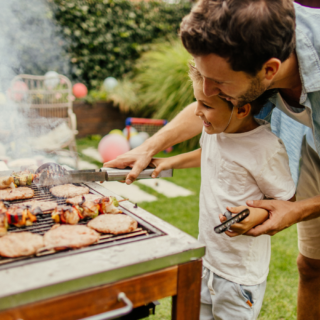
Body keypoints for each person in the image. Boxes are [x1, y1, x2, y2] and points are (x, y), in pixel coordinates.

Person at [104, 1, 320, 318]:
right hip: (307, 142)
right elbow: (215, 107)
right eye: (204, 77)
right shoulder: (256, 37)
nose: (207, 91)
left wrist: (298, 208)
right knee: (312, 267)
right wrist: (150, 146)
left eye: (219, 83)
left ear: (269, 70)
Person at [149, 65, 295, 320]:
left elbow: (285, 200)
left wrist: (257, 214)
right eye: (197, 101)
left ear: (241, 109)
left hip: (239, 274)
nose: (197, 112)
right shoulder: (217, 131)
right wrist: (167, 162)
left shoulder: (266, 148)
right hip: (207, 259)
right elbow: (207, 153)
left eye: (206, 105)